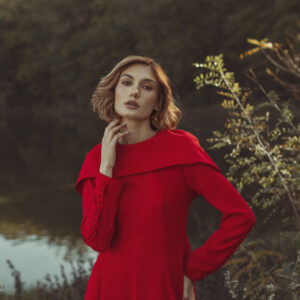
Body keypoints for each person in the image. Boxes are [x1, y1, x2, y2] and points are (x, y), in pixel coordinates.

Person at [75, 55, 256, 300]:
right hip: (109, 287)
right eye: (126, 83)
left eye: (146, 87)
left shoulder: (180, 150)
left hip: (163, 284)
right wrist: (107, 167)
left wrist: (193, 269)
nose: (134, 92)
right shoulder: (96, 160)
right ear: (114, 91)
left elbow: (240, 217)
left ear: (158, 101)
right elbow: (98, 241)